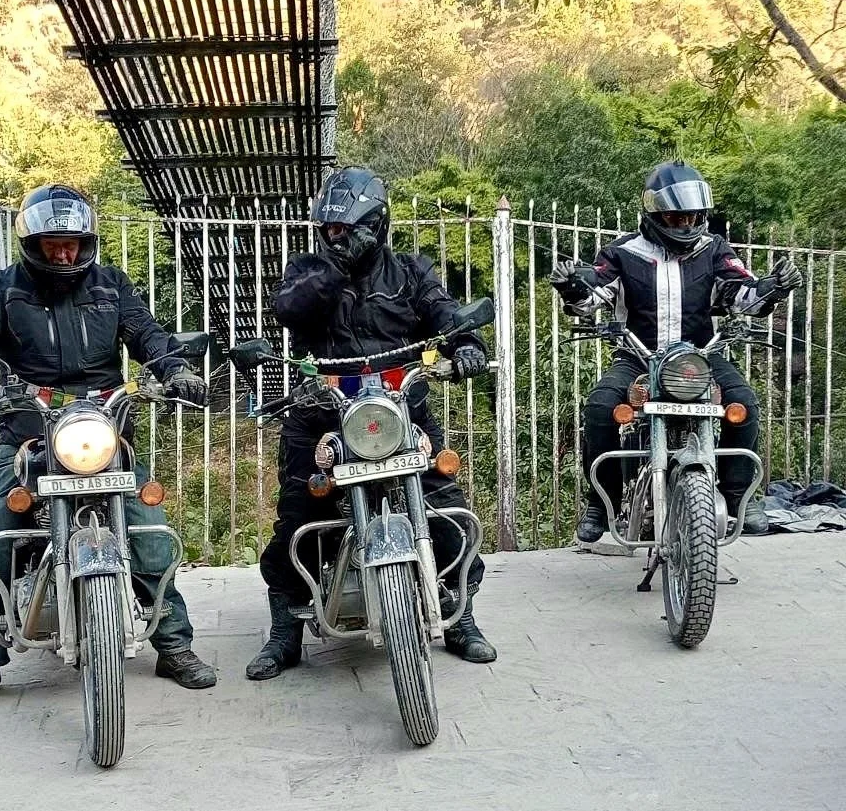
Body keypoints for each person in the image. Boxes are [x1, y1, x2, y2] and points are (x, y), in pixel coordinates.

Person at [0, 184, 216, 710]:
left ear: (86, 242)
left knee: (148, 532)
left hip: (105, 430)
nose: (64, 254)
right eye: (53, 245)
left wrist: (176, 369)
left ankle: (174, 644)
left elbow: (148, 335)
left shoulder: (111, 285)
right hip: (30, 433)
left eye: (71, 244)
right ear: (32, 244)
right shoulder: (0, 289)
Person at [246, 166, 496, 681]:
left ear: (375, 224)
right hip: (322, 415)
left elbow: (445, 313)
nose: (334, 236)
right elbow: (288, 309)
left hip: (400, 411)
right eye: (329, 229)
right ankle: (285, 630)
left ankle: (460, 614)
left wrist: (467, 344)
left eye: (345, 229)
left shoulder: (410, 272)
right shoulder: (307, 270)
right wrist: (335, 267)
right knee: (298, 514)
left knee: (445, 507)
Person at [549, 160, 802, 543]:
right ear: (653, 214)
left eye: (693, 217)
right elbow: (593, 294)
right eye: (676, 217)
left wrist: (774, 286)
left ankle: (739, 498)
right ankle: (601, 503)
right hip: (638, 356)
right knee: (600, 407)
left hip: (700, 356)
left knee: (744, 405)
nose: (686, 225)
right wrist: (572, 286)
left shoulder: (715, 250)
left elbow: (743, 292)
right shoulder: (622, 252)